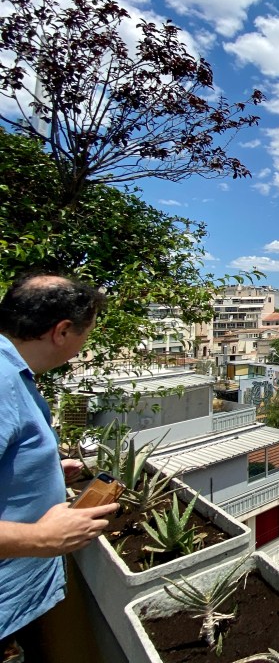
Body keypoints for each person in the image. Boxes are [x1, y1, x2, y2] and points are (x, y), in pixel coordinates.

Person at [0, 274, 119, 662]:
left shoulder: (14, 372)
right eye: (87, 334)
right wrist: (41, 538)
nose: (86, 343)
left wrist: (42, 468)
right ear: (62, 331)